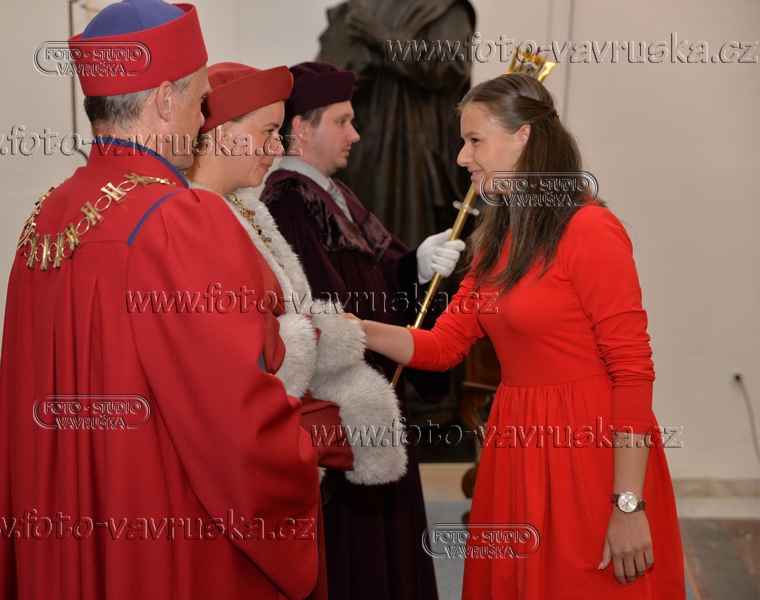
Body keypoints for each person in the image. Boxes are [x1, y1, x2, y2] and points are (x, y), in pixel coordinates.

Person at [0, 2, 320, 599]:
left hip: (68, 540)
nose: (202, 118)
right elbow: (237, 423)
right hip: (169, 539)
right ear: (166, 100)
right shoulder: (179, 218)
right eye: (200, 100)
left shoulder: (46, 217)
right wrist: (302, 457)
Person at [358, 73, 686, 599]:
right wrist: (353, 330)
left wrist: (628, 505)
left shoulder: (590, 231)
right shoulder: (496, 241)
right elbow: (441, 347)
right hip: (516, 442)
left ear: (524, 137)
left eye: (474, 140)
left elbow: (632, 371)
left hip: (587, 450)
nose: (462, 157)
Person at [261, 60, 464, 600]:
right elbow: (325, 313)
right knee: (361, 558)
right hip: (347, 415)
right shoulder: (289, 203)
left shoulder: (332, 193)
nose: (355, 134)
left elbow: (378, 274)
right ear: (301, 128)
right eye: (343, 121)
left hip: (378, 403)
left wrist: (415, 266)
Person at [317, 0, 477, 247]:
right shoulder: (358, 7)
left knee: (411, 238)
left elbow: (451, 67)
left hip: (413, 153)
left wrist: (384, 40)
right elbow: (326, 76)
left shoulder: (443, 7)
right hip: (360, 150)